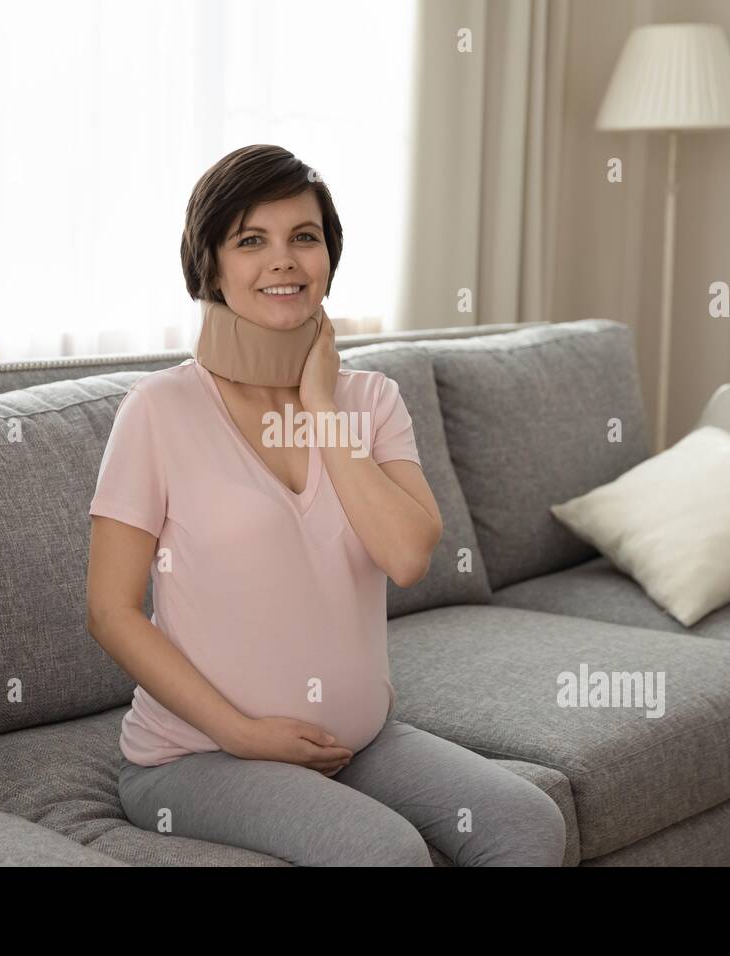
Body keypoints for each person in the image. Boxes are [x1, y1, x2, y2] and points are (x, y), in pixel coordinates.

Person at [85, 144, 565, 866]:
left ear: (328, 260)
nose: (283, 260)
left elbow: (406, 556)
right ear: (209, 263)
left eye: (303, 238)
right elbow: (110, 611)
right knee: (384, 854)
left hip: (356, 744)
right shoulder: (159, 410)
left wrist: (320, 404)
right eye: (252, 240)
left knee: (527, 823)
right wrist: (243, 732)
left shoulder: (371, 401)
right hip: (198, 757)